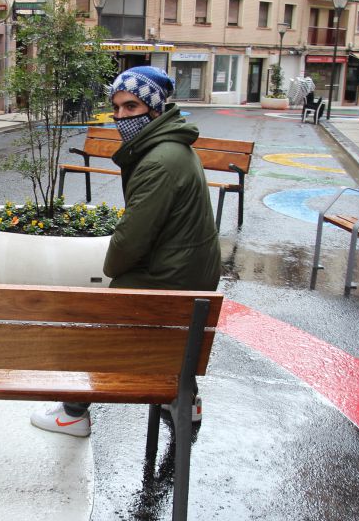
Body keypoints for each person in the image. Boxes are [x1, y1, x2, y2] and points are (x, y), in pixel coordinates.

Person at [30, 66, 222, 437]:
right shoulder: (171, 149)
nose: (121, 117)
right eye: (117, 108)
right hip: (188, 274)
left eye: (131, 107)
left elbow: (130, 240)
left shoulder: (159, 161)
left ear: (154, 109)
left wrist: (113, 268)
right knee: (167, 339)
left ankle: (72, 413)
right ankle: (185, 400)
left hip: (171, 277)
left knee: (98, 323)